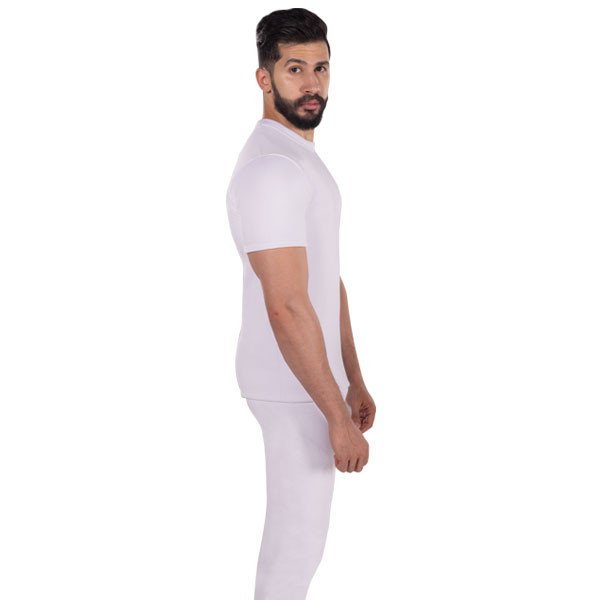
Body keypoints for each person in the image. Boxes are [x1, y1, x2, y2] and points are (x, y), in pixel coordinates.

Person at [225, 8, 376, 599]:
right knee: (296, 546)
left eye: (321, 68)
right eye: (295, 69)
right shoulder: (272, 169)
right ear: (264, 78)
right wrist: (334, 415)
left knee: (301, 543)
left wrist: (353, 379)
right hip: (291, 382)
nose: (312, 84)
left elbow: (325, 280)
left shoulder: (296, 158)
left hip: (311, 379)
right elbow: (286, 304)